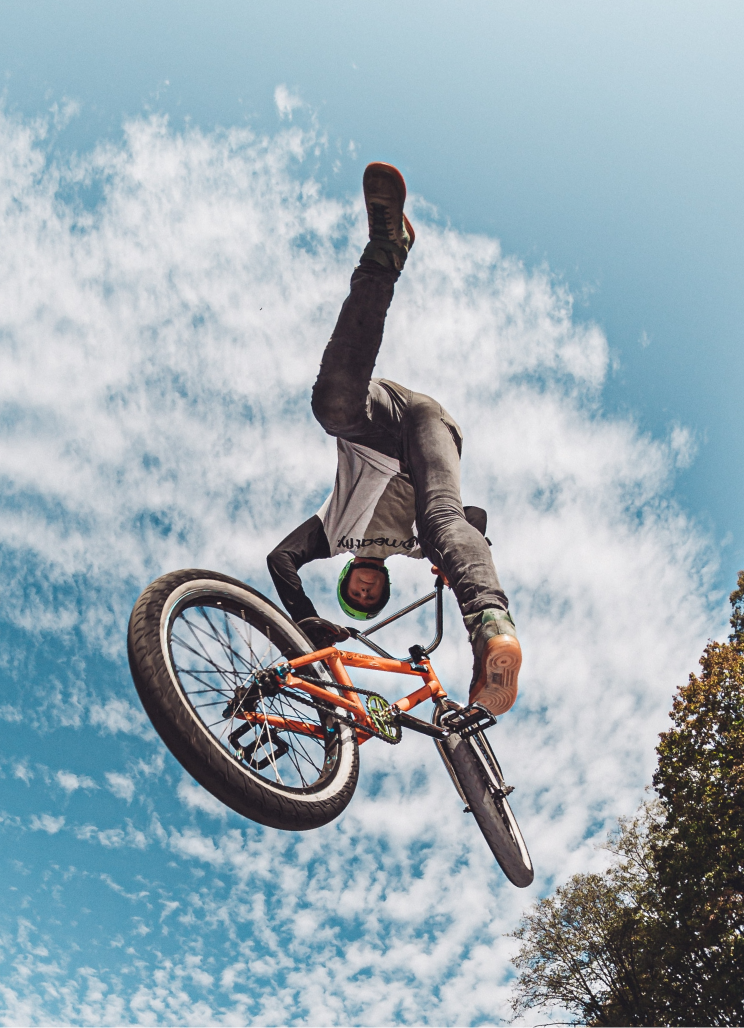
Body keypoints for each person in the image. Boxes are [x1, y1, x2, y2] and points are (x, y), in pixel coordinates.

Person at [267, 163, 521, 717]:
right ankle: (493, 630)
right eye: (370, 599)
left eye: (355, 595)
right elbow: (470, 521)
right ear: (380, 589)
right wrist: (454, 554)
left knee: (332, 407)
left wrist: (304, 617)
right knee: (440, 523)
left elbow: (280, 559)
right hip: (429, 448)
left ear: (346, 578)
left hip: (390, 421)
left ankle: (385, 250)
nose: (364, 593)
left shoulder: (332, 535)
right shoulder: (411, 548)